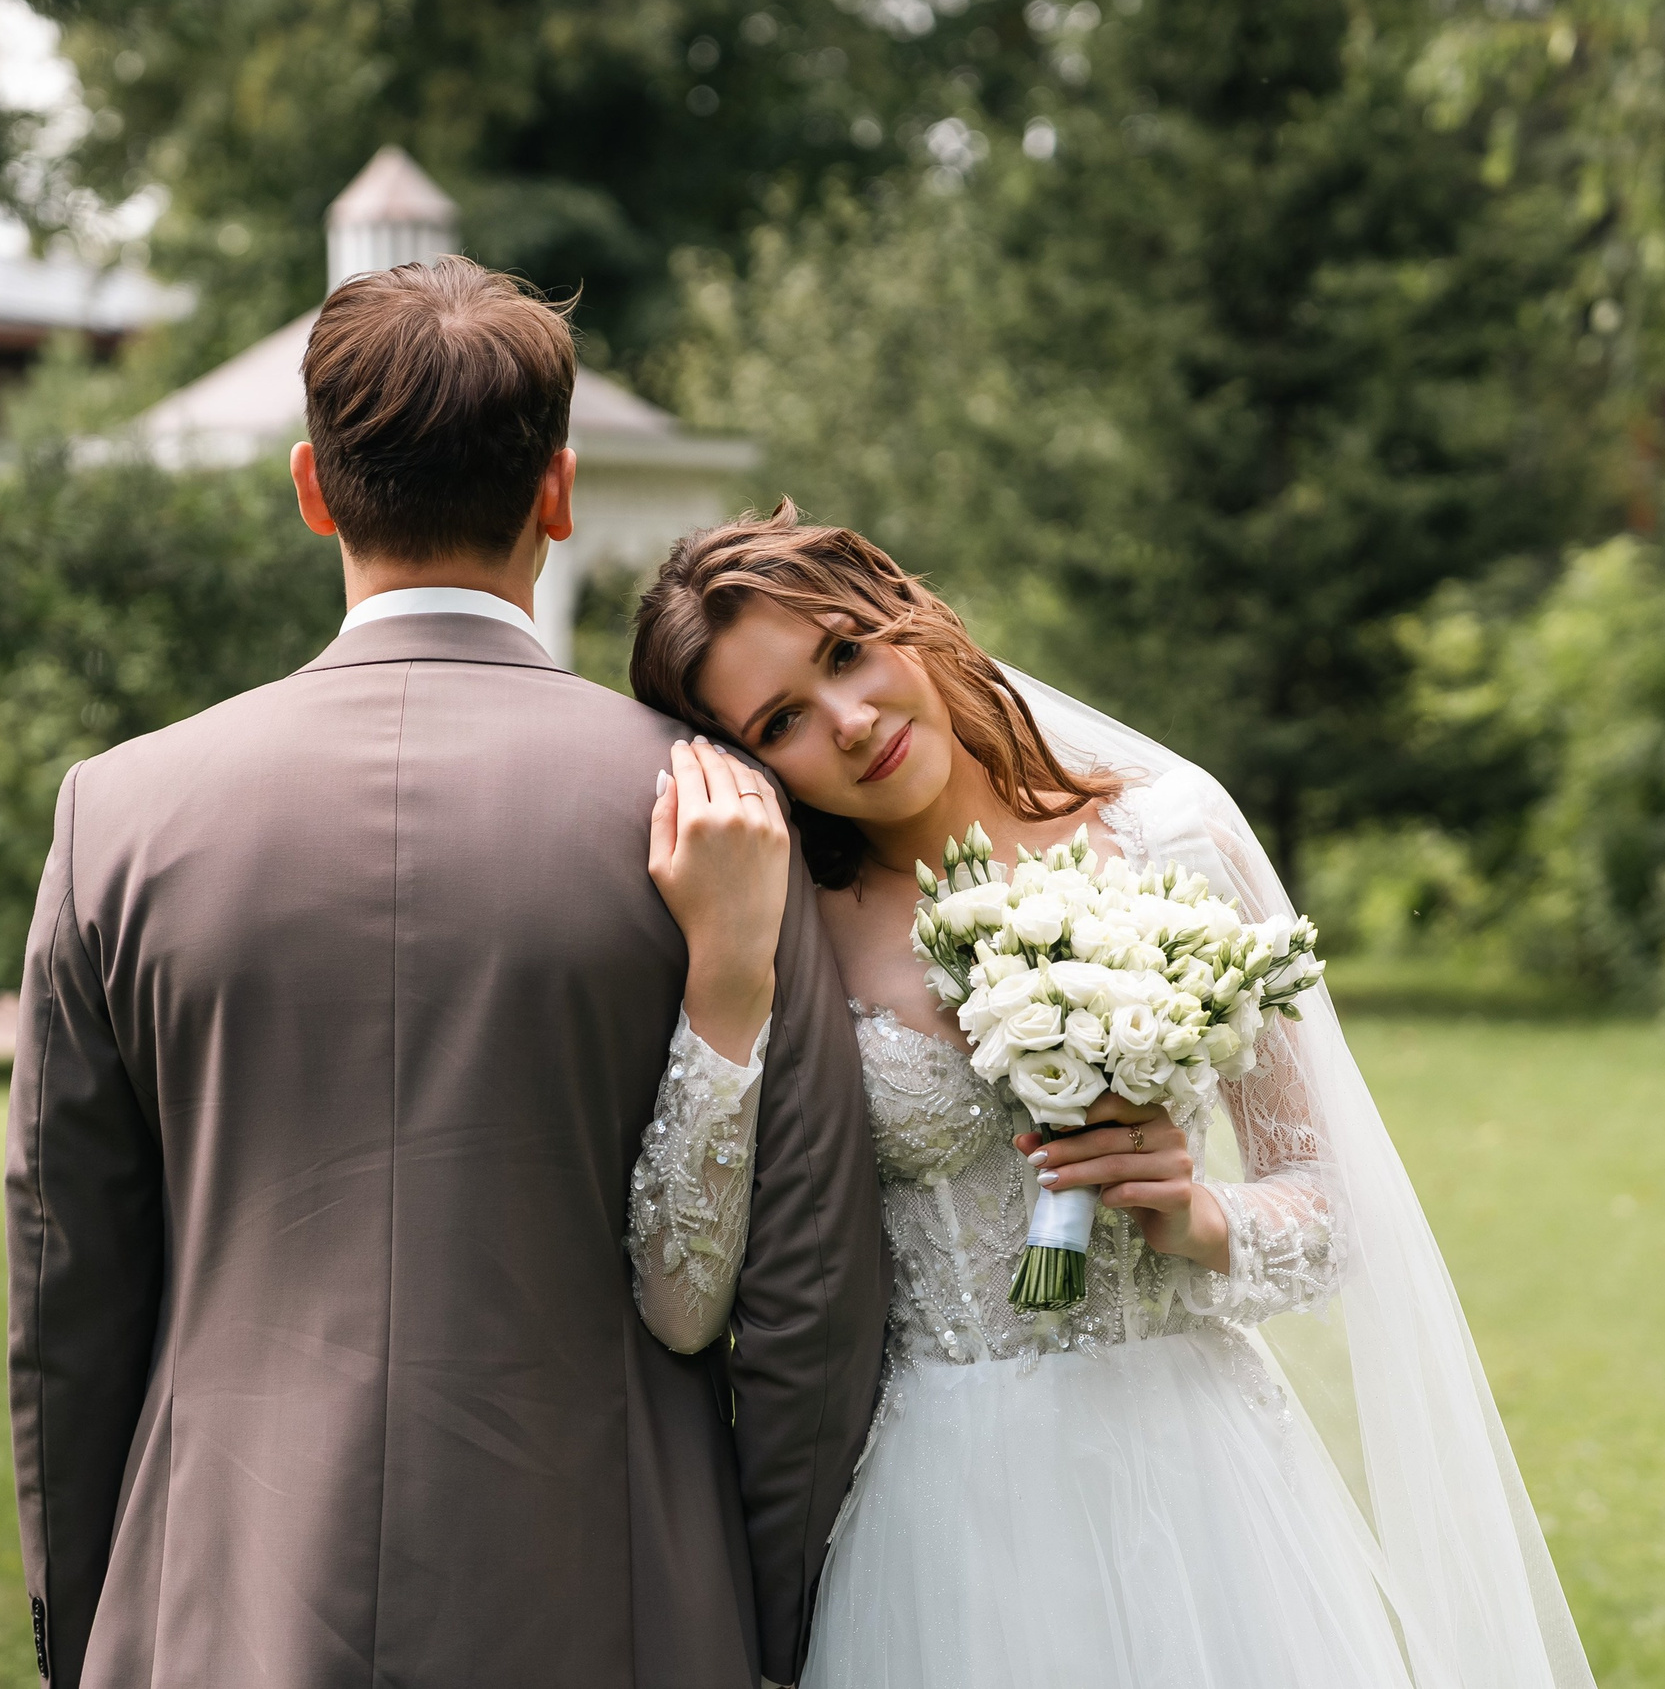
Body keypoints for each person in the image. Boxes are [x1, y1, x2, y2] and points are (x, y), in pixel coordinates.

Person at [2, 262, 890, 1689]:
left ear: (312, 488)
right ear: (558, 490)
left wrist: (89, 1620)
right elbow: (808, 1293)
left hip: (222, 1596)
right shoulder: (718, 815)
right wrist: (766, 1618)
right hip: (618, 1602)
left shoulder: (119, 816)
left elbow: (69, 1291)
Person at [623, 503, 1598, 1689]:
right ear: (746, 763)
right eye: (781, 720)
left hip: (1203, 1482)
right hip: (951, 1517)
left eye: (845, 652)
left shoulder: (1171, 840)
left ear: (908, 618)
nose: (851, 719)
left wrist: (1204, 1218)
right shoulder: (783, 933)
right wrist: (725, 984)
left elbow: (1334, 1204)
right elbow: (680, 1301)